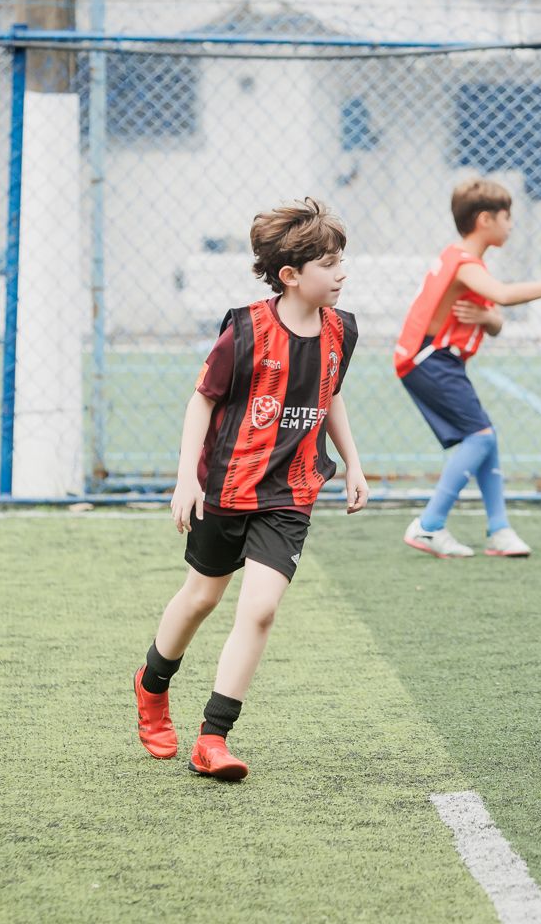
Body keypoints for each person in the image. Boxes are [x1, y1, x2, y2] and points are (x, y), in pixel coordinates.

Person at [133, 197, 368, 781]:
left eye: (341, 261)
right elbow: (202, 400)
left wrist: (354, 463)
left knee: (260, 611)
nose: (341, 274)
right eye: (329, 264)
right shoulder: (245, 331)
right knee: (201, 598)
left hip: (291, 493)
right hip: (227, 485)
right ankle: (152, 685)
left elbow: (330, 392)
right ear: (290, 275)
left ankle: (212, 739)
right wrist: (187, 478)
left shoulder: (342, 330)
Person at [395, 177, 541, 558]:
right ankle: (429, 525)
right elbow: (503, 295)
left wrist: (486, 318)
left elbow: (496, 320)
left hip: (438, 360)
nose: (511, 225)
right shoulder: (464, 264)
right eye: (507, 217)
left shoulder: (467, 263)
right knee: (481, 437)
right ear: (485, 220)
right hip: (428, 360)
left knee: (486, 437)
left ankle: (499, 530)